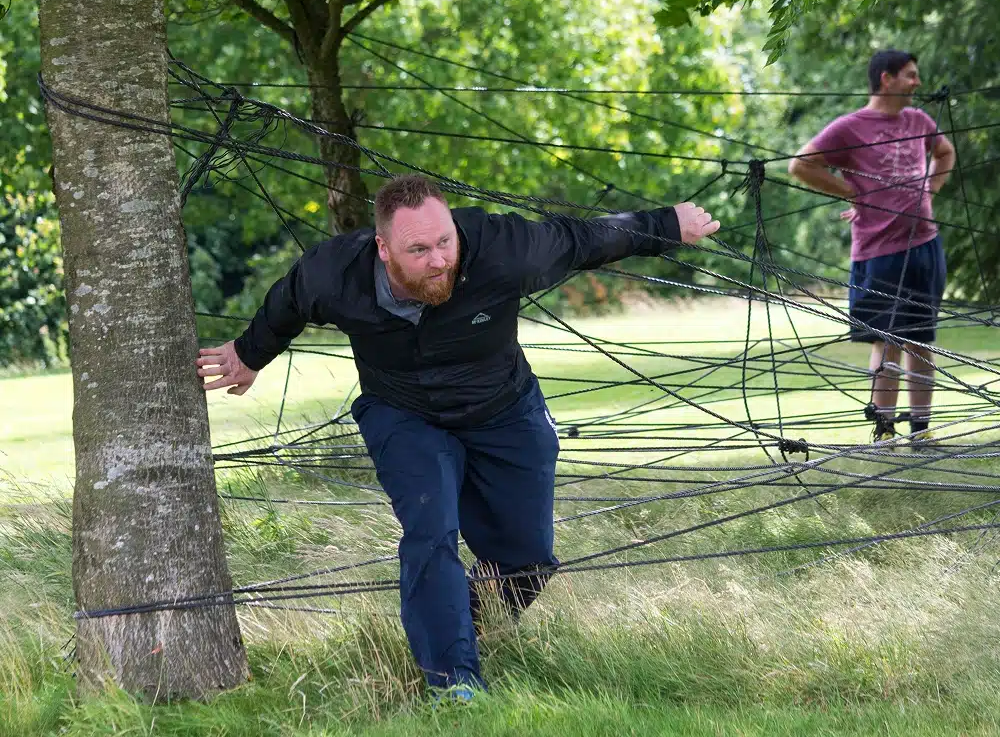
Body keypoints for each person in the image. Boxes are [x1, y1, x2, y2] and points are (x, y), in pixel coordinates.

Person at [197, 174, 720, 698]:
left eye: (444, 241)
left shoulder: (504, 249)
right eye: (418, 249)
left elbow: (584, 240)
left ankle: (463, 627)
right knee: (431, 532)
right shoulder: (335, 273)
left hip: (505, 410)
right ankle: (455, 681)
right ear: (383, 248)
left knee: (528, 558)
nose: (439, 260)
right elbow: (287, 303)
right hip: (403, 414)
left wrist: (670, 224)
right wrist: (248, 354)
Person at [788, 50, 956, 446]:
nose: (917, 83)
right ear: (886, 79)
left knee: (921, 338)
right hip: (878, 252)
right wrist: (852, 191)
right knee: (888, 341)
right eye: (911, 76)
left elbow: (945, 153)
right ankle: (884, 432)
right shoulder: (850, 127)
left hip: (924, 247)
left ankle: (921, 430)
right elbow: (801, 165)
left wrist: (930, 186)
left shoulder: (919, 120)